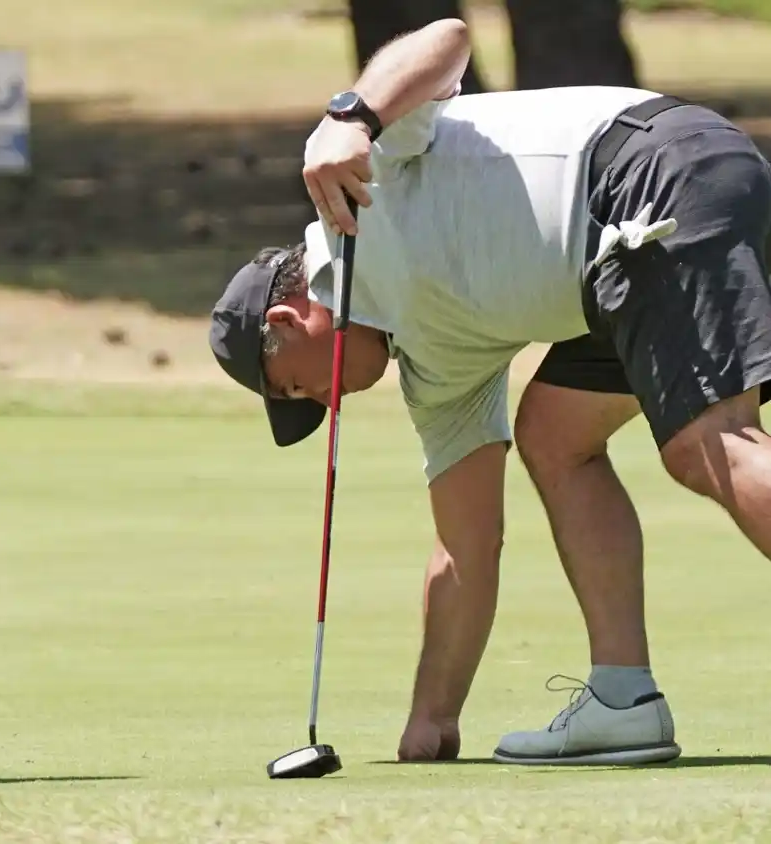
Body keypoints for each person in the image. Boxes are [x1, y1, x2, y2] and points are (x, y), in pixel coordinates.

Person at [208, 18, 771, 765]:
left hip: (650, 175)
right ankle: (624, 700)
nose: (327, 404)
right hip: (622, 251)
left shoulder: (358, 191)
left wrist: (351, 117)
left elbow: (448, 36)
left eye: (297, 388)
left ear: (288, 319)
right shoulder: (436, 373)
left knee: (709, 446)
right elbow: (464, 549)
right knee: (555, 437)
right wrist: (432, 717)